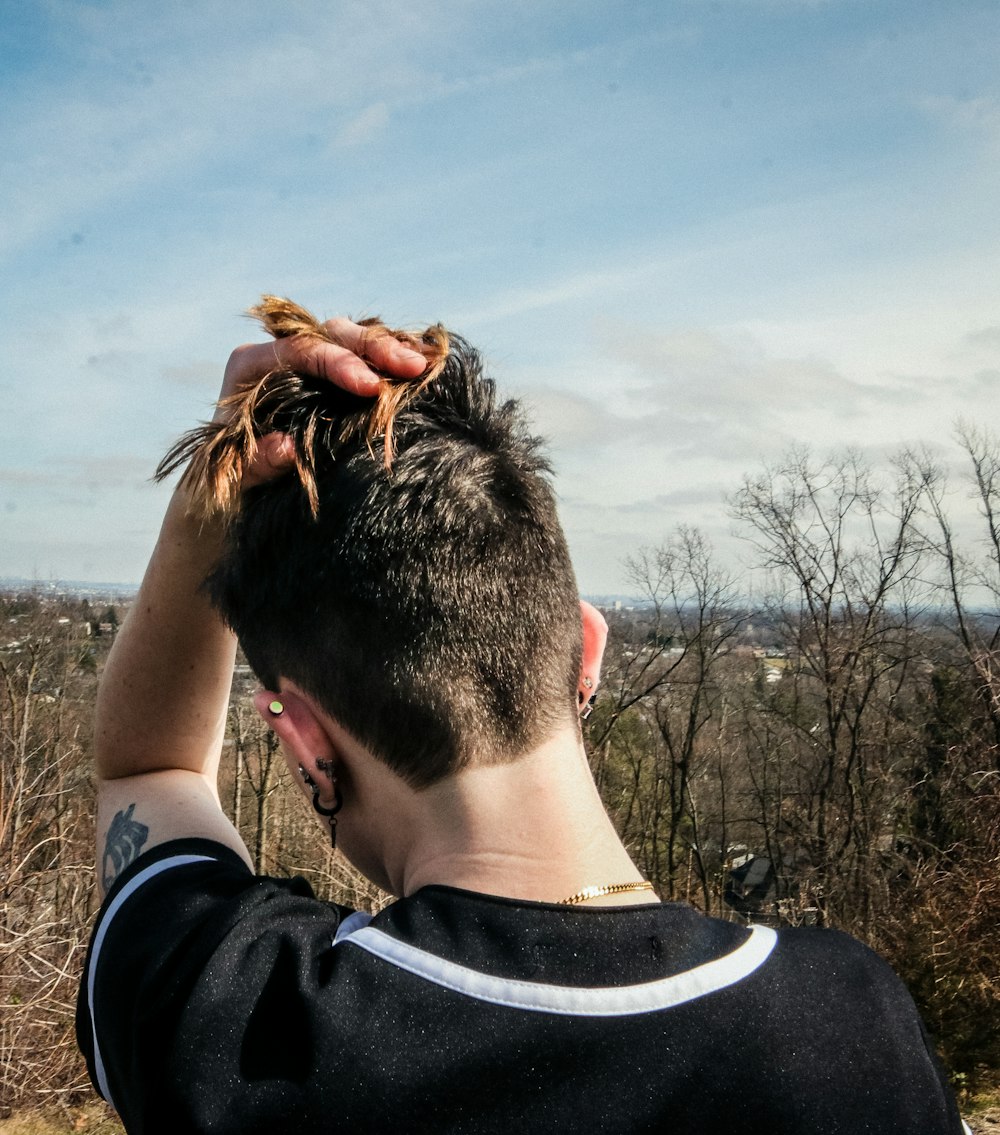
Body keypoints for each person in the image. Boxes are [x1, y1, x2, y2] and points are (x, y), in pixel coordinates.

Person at [77, 298, 966, 1134]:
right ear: (588, 649)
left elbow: (149, 767)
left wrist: (215, 479)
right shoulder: (854, 1035)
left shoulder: (238, 1028)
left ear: (306, 741)